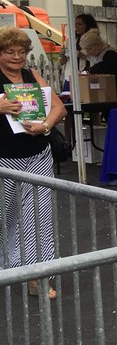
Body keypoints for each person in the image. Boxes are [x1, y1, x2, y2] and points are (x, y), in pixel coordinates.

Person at [0, 27, 68, 298]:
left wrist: (45, 126)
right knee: (4, 217)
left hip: (38, 156)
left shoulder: (32, 76)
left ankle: (37, 276)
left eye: (21, 52)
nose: (17, 57)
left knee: (38, 217)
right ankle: (7, 267)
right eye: (9, 52)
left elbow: (58, 108)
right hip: (3, 160)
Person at [78, 29, 117, 106]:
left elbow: (105, 70)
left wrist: (89, 72)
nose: (88, 52)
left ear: (98, 45)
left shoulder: (111, 54)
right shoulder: (97, 56)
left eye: (89, 49)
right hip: (110, 97)